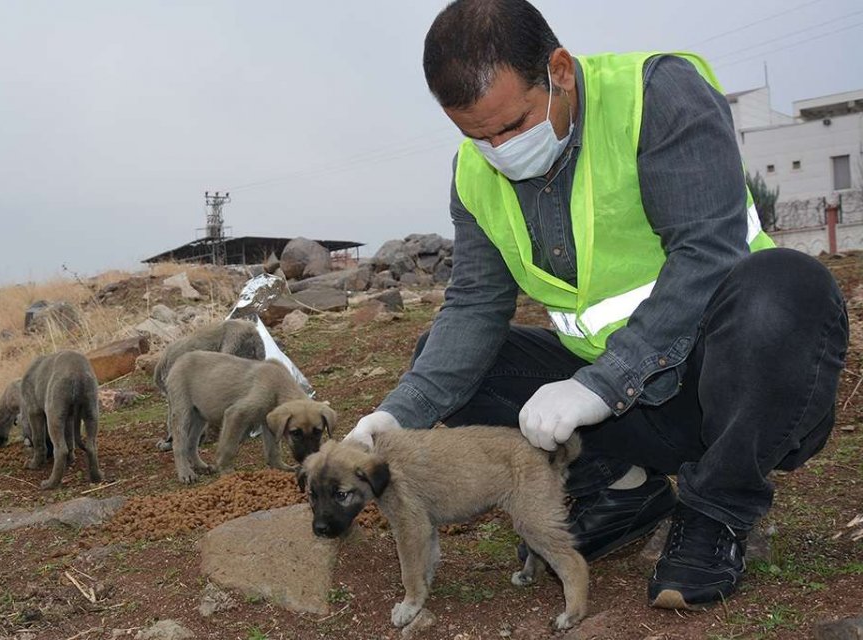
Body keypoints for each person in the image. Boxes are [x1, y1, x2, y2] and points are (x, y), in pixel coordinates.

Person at [344, 0, 848, 610]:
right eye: (477, 135)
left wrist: (602, 383)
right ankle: (622, 489)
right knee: (450, 364)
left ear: (558, 71)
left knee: (785, 283)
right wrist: (401, 413)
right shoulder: (475, 171)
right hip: (622, 411)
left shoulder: (656, 97)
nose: (499, 148)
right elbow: (475, 303)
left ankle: (717, 509)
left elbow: (707, 253)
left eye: (513, 125)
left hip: (732, 387)